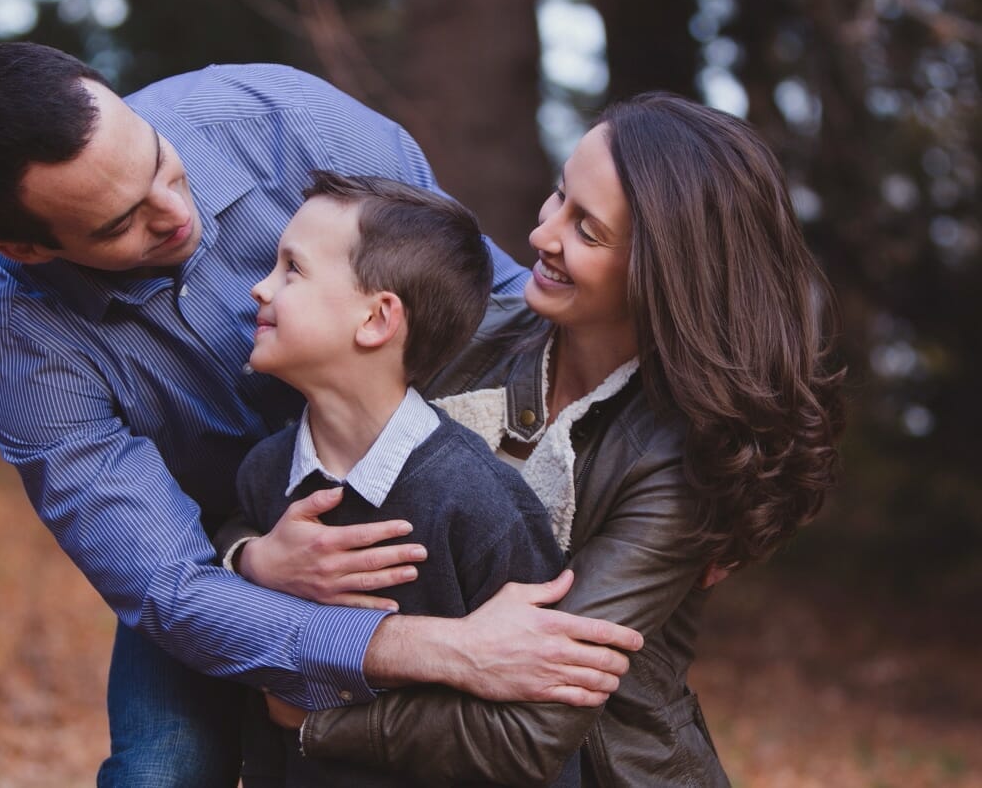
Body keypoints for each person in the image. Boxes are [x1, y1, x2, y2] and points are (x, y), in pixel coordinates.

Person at [0, 42, 642, 786]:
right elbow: (170, 588)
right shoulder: (19, 339)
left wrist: (688, 464)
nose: (175, 213)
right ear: (26, 247)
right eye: (118, 225)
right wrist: (263, 569)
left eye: (161, 164)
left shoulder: (283, 118)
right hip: (206, 549)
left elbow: (494, 306)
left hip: (410, 493)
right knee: (162, 770)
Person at [250, 94, 847, 786]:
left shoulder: (680, 458)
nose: (542, 235)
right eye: (559, 195)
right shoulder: (463, 338)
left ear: (661, 271)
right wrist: (258, 557)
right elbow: (286, 472)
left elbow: (535, 723)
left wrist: (317, 720)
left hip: (600, 769)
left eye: (586, 230)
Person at [237, 170, 577, 787]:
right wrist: (251, 559)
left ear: (375, 319)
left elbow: (543, 733)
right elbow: (261, 703)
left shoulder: (481, 505)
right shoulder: (265, 473)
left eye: (293, 269)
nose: (260, 288)